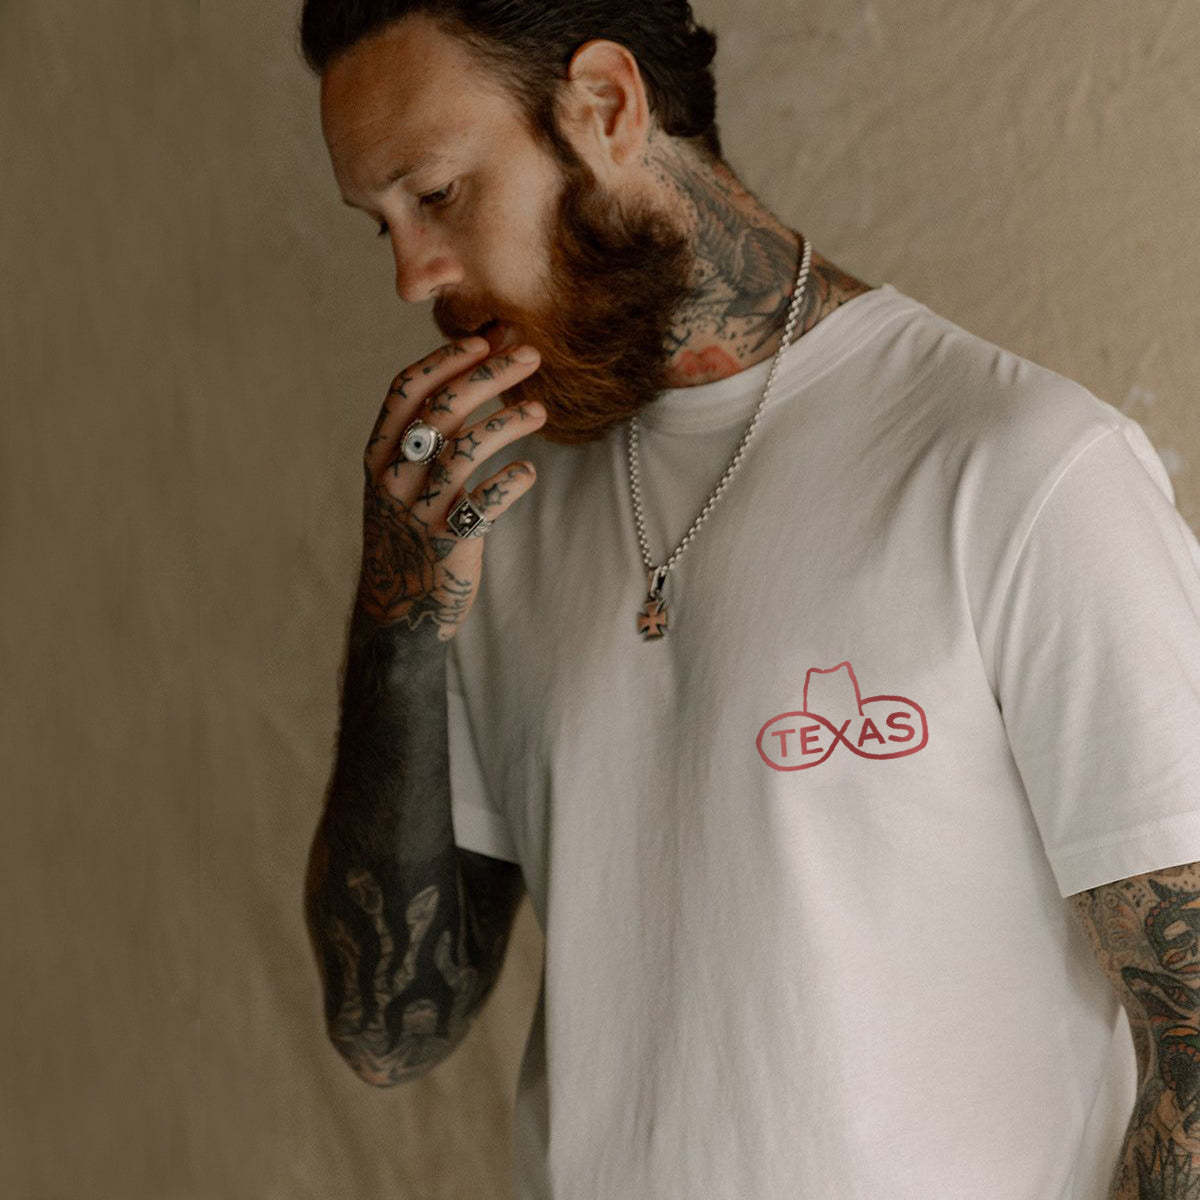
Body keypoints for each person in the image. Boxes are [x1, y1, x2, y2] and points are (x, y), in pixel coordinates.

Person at [297, 4, 1200, 1197]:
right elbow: (387, 1031)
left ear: (607, 106)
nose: (415, 274)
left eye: (439, 194)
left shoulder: (1019, 468)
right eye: (385, 225)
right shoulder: (493, 509)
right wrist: (399, 618)